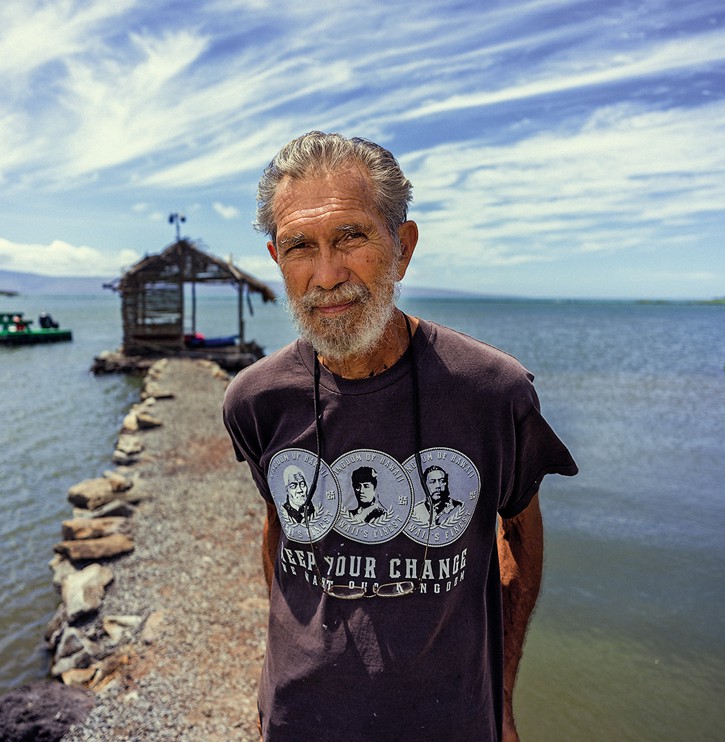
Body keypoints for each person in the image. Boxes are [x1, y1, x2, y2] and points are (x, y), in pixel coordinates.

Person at [223, 131, 577, 742]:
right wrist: (272, 677)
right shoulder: (255, 400)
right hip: (299, 719)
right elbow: (279, 523)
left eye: (351, 237)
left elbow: (519, 531)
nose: (326, 274)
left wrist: (501, 693)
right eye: (300, 245)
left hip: (451, 721)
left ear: (403, 247)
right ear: (277, 259)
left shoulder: (493, 392)